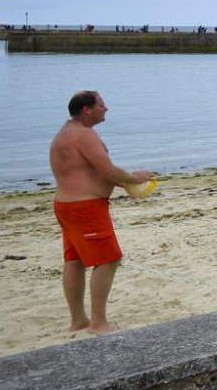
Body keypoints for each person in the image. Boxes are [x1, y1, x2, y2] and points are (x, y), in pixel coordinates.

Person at [48, 91, 156, 335]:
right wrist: (134, 178)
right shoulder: (84, 135)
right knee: (108, 259)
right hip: (85, 208)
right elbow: (107, 170)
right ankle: (98, 323)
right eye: (101, 105)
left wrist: (122, 182)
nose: (106, 109)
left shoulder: (65, 133)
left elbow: (85, 171)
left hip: (65, 205)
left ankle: (78, 321)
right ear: (86, 110)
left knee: (74, 260)